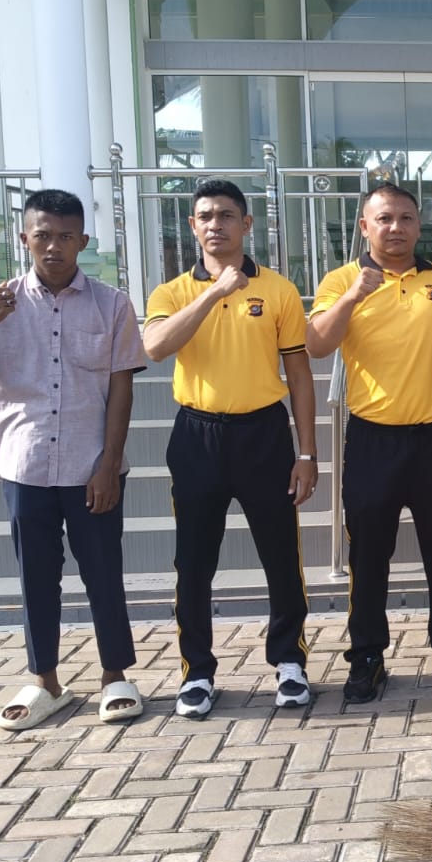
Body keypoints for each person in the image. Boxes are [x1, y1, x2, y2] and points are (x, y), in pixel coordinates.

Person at [0, 189, 146, 731]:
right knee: (36, 576)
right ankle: (45, 682)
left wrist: (109, 464)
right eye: (42, 235)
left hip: (90, 464)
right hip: (25, 464)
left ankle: (115, 676)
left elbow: (121, 390)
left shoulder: (112, 304)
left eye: (64, 236)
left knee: (103, 572)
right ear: (25, 238)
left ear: (83, 240)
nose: (53, 246)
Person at [305, 184, 432, 702]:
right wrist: (354, 295)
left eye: (406, 218)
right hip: (372, 439)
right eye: (384, 218)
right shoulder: (341, 280)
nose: (396, 227)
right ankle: (367, 655)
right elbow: (317, 344)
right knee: (368, 554)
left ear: (418, 225)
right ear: (364, 226)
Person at [142, 179, 318, 719]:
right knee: (194, 560)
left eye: (225, 215)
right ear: (192, 227)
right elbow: (155, 347)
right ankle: (197, 671)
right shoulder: (171, 292)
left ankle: (289, 661)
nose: (215, 224)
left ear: (246, 223)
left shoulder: (279, 290)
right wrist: (215, 292)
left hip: (264, 434)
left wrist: (307, 453)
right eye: (205, 216)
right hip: (197, 436)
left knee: (280, 555)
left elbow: (299, 374)